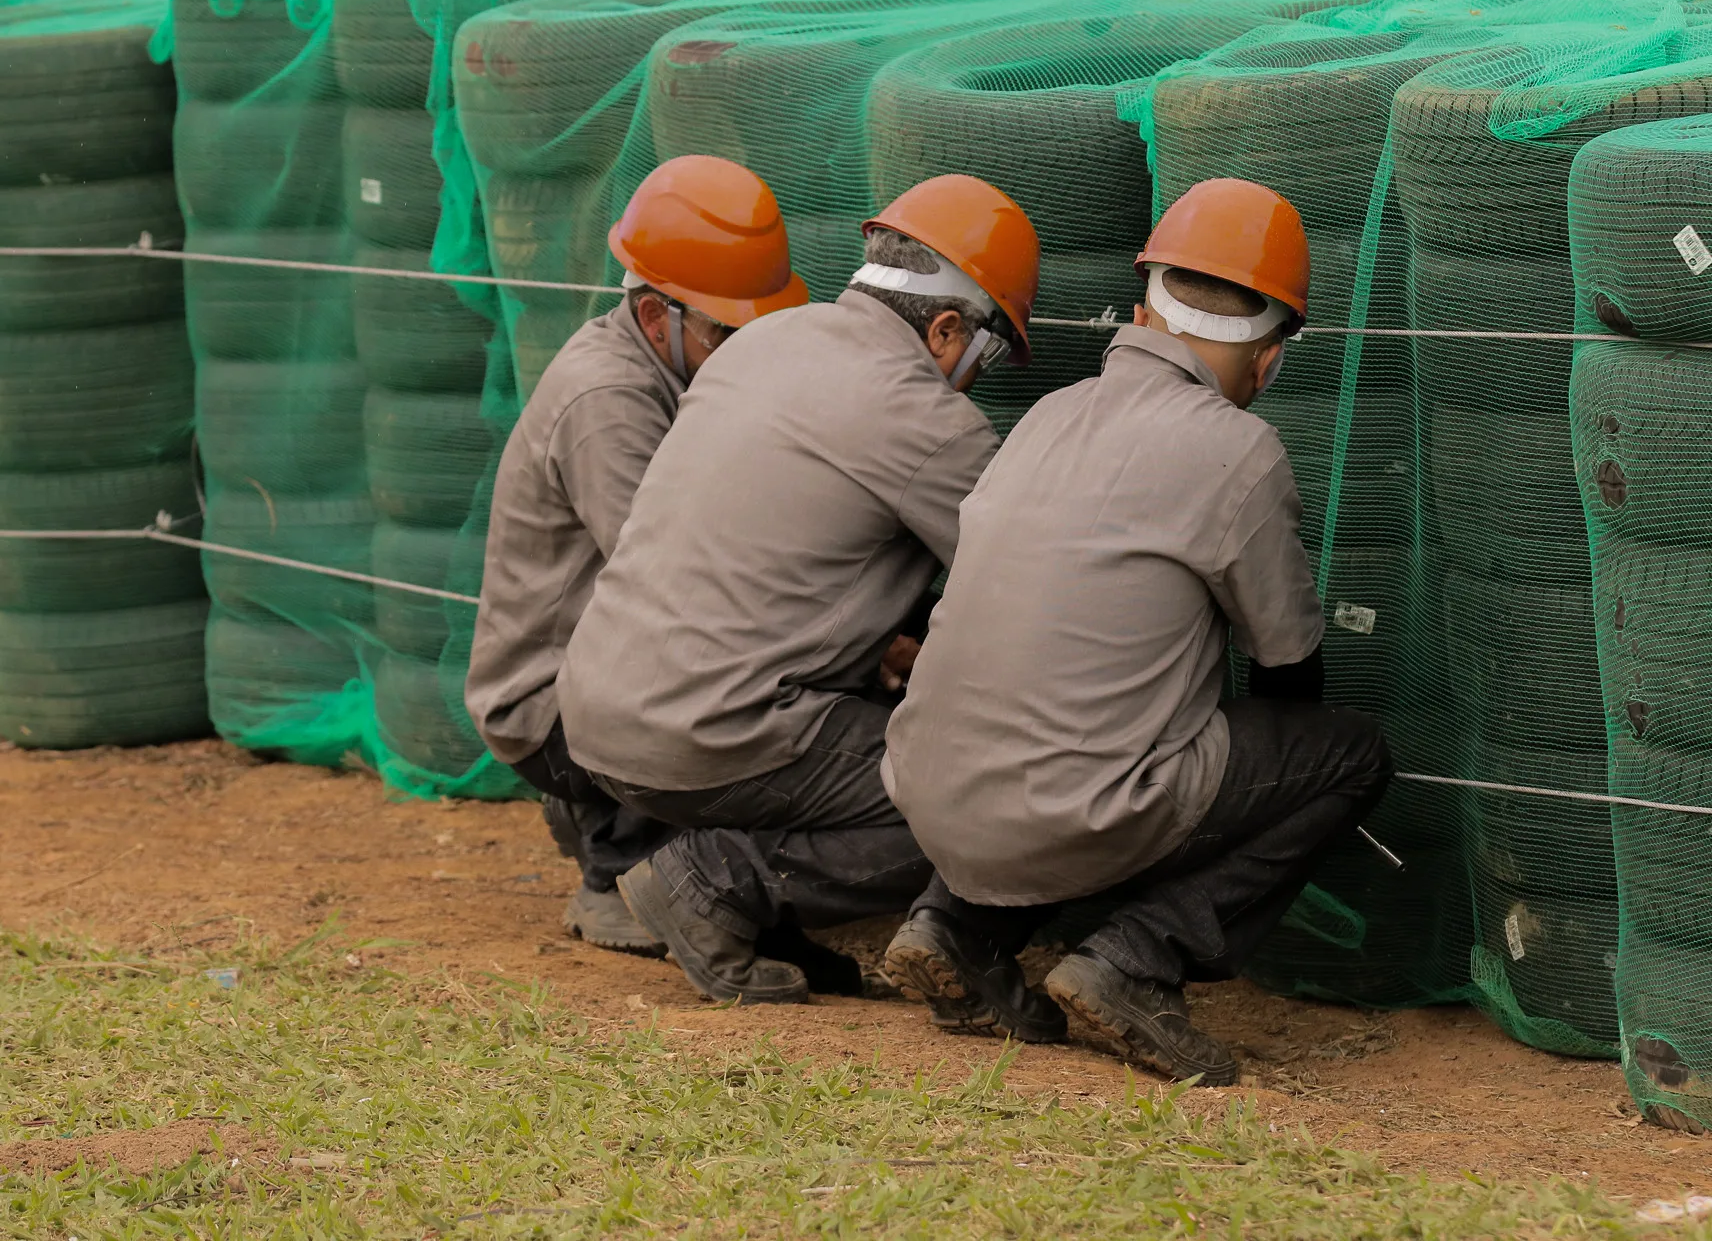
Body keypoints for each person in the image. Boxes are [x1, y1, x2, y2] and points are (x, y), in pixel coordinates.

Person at [880, 178, 1396, 1085]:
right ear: (1271, 358)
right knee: (1342, 755)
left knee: (1067, 734)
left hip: (925, 794)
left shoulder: (1045, 416)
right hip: (1072, 810)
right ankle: (1137, 960)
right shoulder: (1240, 450)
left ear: (1142, 313)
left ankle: (953, 927)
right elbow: (1288, 670)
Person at [556, 174, 1041, 1005]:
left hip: (593, 709)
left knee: (870, 715)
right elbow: (1030, 589)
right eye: (988, 352)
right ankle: (715, 886)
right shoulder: (928, 421)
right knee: (989, 794)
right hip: (702, 734)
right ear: (947, 327)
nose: (977, 375)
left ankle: (742, 906)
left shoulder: (761, 342)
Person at [466, 155, 807, 956]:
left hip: (591, 669)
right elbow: (665, 580)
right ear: (656, 316)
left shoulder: (670, 369)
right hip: (547, 702)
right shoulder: (609, 401)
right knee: (740, 672)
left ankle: (604, 815)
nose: (747, 350)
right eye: (729, 332)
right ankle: (616, 871)